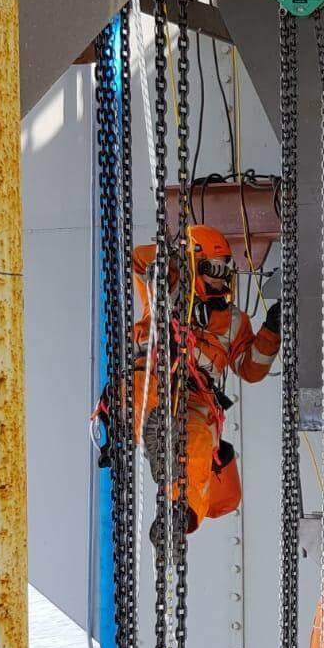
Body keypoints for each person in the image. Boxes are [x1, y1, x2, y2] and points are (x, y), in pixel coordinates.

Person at [124, 225, 279, 541]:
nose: (222, 278)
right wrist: (170, 262)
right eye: (213, 269)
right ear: (192, 265)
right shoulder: (165, 287)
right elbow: (138, 260)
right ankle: (149, 431)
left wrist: (272, 330)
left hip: (196, 398)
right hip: (156, 374)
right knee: (139, 391)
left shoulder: (234, 321)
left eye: (226, 270)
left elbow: (250, 368)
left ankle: (176, 514)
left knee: (196, 440)